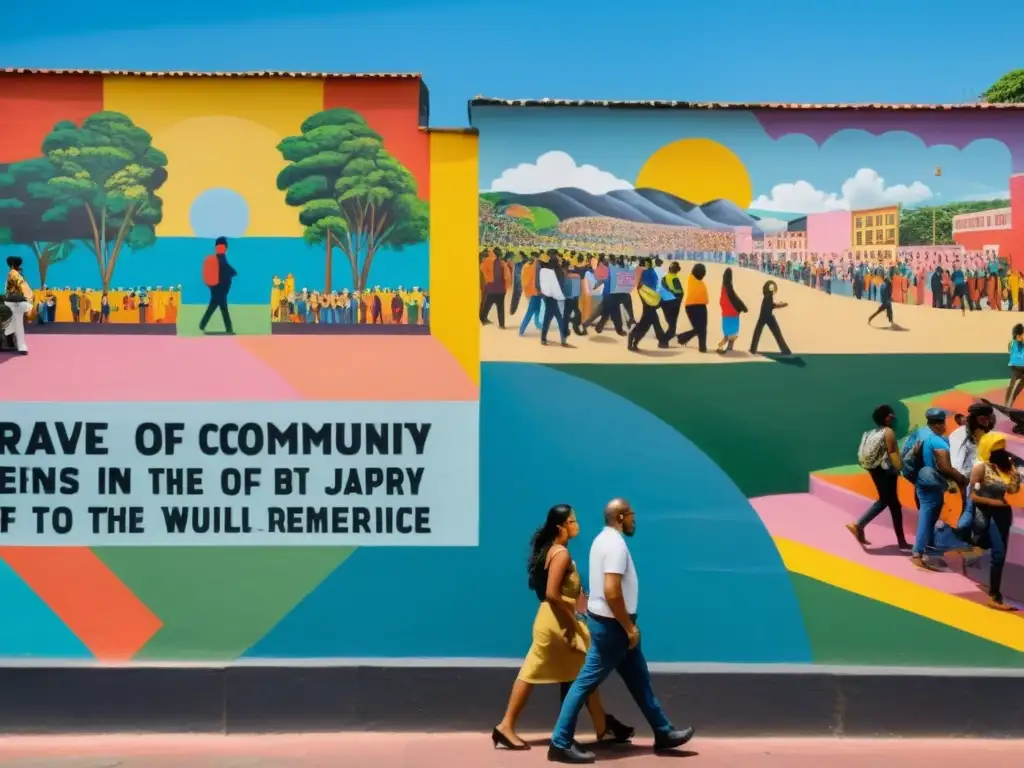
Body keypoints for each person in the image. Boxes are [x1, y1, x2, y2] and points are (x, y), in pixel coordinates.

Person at [547, 498, 695, 764]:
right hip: (614, 627)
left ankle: (663, 732)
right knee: (584, 683)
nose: (634, 521)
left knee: (640, 680)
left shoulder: (600, 540)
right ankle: (559, 742)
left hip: (612, 624)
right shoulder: (615, 545)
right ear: (620, 517)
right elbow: (612, 590)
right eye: (631, 516)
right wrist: (628, 627)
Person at [492, 505, 634, 751]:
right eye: (573, 521)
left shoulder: (557, 551)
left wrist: (583, 608)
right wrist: (572, 621)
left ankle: (602, 725)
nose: (577, 525)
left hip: (557, 620)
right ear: (561, 526)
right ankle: (506, 726)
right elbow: (552, 594)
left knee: (580, 671)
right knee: (537, 672)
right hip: (556, 623)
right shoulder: (560, 554)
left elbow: (567, 593)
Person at [965, 432, 1020, 611]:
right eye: (996, 448)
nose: (1000, 451)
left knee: (999, 554)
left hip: (1003, 515)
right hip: (986, 514)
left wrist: (1013, 471)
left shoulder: (1004, 467)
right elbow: (972, 495)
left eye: (1001, 448)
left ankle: (994, 593)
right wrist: (992, 502)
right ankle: (995, 596)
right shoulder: (981, 468)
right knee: (996, 552)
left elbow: (1013, 490)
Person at [911, 408, 966, 572]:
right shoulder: (938, 441)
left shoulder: (919, 433)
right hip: (932, 482)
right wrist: (961, 479)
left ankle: (926, 547)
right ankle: (918, 554)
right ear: (939, 423)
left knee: (929, 514)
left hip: (919, 479)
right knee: (927, 516)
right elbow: (945, 467)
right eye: (944, 422)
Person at [847, 405, 909, 550]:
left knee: (890, 503)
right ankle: (859, 525)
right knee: (888, 502)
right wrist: (902, 469)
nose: (893, 417)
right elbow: (893, 453)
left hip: (874, 469)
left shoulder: (871, 433)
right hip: (886, 472)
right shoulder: (888, 432)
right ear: (886, 417)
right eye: (891, 415)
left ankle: (901, 542)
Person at [199, 236, 237, 334]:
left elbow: (224, 269)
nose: (223, 248)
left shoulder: (219, 257)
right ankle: (229, 329)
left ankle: (202, 324)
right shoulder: (221, 258)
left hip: (216, 288)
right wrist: (233, 272)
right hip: (219, 289)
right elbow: (225, 268)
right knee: (223, 309)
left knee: (213, 307)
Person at [3, 256, 34, 355]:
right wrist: (29, 299)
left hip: (14, 302)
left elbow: (22, 286)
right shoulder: (14, 273)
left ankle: (16, 344)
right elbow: (23, 286)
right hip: (14, 302)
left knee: (13, 323)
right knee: (17, 324)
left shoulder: (13, 273)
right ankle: (19, 345)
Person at [676, 263, 708, 352]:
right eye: (703, 271)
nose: (705, 273)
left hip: (700, 305)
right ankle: (681, 338)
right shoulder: (691, 278)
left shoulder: (697, 280)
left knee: (702, 328)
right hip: (692, 306)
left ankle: (702, 347)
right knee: (699, 329)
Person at [716, 267, 747, 354]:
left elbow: (723, 300)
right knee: (733, 333)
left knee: (727, 334)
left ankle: (721, 345)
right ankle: (729, 348)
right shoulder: (729, 286)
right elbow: (734, 297)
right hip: (732, 313)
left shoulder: (723, 286)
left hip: (725, 313)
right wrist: (743, 307)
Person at [1005, 324, 1024, 407]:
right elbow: (1010, 350)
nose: (1023, 336)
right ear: (1017, 335)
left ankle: (1011, 403)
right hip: (1016, 367)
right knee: (1012, 384)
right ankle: (1006, 404)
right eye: (1022, 334)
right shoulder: (1012, 343)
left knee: (1020, 387)